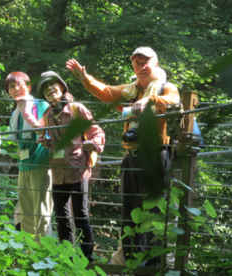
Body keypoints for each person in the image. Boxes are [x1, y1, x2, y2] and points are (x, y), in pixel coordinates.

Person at [66, 47, 180, 262]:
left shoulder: (167, 87)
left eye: (145, 61)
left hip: (155, 154)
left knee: (154, 209)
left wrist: (150, 101)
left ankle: (154, 262)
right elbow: (107, 92)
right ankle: (129, 258)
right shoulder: (131, 90)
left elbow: (174, 102)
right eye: (137, 62)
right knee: (130, 208)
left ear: (155, 63)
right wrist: (85, 78)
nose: (141, 66)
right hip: (132, 156)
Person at [37, 71, 105, 260]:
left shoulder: (76, 109)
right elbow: (52, 140)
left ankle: (87, 258)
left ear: (62, 86)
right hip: (58, 171)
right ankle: (67, 257)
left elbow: (96, 131)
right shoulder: (48, 115)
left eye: (53, 85)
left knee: (81, 215)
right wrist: (46, 141)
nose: (50, 89)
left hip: (78, 169)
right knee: (61, 217)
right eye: (45, 88)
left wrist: (94, 144)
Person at [6, 71, 52, 237]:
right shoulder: (15, 113)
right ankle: (28, 252)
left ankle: (43, 252)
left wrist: (27, 112)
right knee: (25, 211)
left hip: (41, 163)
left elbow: (45, 131)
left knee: (41, 209)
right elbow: (14, 140)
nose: (16, 89)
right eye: (12, 86)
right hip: (24, 165)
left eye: (20, 84)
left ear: (29, 87)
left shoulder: (41, 106)